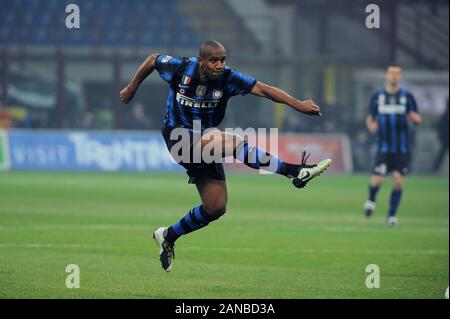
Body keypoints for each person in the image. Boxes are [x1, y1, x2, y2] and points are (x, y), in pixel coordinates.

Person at [120, 40, 331, 272]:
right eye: (213, 60)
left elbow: (264, 89)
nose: (219, 65)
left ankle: (168, 235)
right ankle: (293, 172)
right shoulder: (180, 68)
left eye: (222, 60)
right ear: (201, 61)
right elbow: (152, 59)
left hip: (206, 140)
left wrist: (298, 104)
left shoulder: (228, 78)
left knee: (216, 206)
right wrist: (132, 87)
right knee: (233, 142)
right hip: (178, 136)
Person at [364, 65, 422, 227]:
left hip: (402, 148)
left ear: (400, 77)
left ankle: (391, 216)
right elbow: (370, 118)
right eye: (392, 73)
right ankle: (371, 200)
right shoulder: (377, 96)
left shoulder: (407, 97)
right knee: (377, 179)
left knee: (398, 180)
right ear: (386, 76)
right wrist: (371, 126)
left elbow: (416, 116)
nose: (394, 76)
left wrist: (416, 119)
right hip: (383, 147)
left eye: (397, 74)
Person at [433, 99, 449, 173]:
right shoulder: (445, 115)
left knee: (441, 154)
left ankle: (435, 168)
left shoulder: (445, 114)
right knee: (441, 155)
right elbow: (441, 127)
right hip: (446, 138)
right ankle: (435, 169)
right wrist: (441, 136)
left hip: (445, 138)